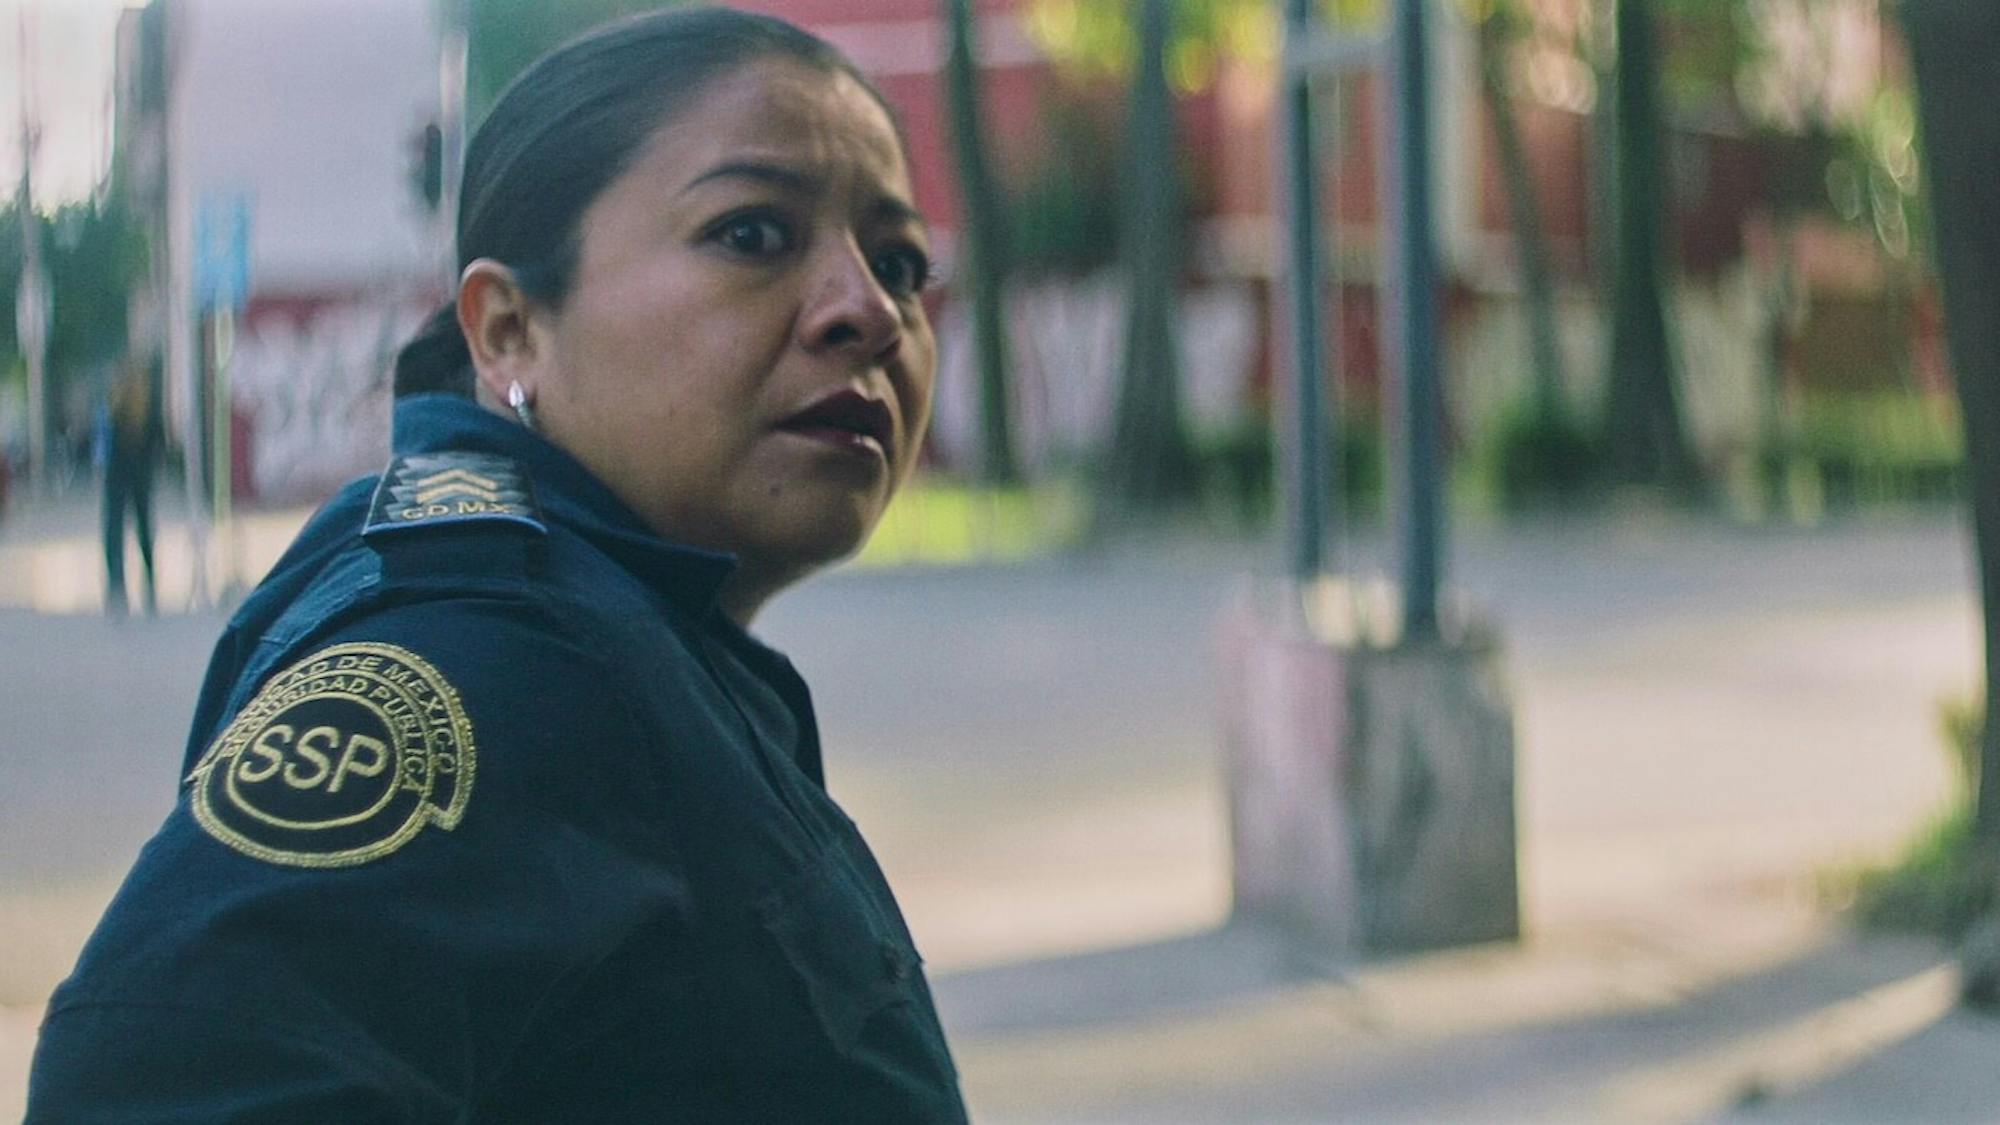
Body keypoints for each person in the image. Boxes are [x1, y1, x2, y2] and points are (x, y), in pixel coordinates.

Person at [28, 9, 965, 1121]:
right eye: (753, 234)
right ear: (509, 329)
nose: (867, 310)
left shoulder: (604, 625)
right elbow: (160, 1079)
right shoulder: (485, 654)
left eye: (898, 260)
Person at [101, 361, 162, 616]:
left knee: (115, 529)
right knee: (143, 527)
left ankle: (117, 583)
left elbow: (104, 444)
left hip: (117, 476)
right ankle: (148, 580)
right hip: (140, 476)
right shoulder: (146, 408)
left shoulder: (115, 408)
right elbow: (158, 442)